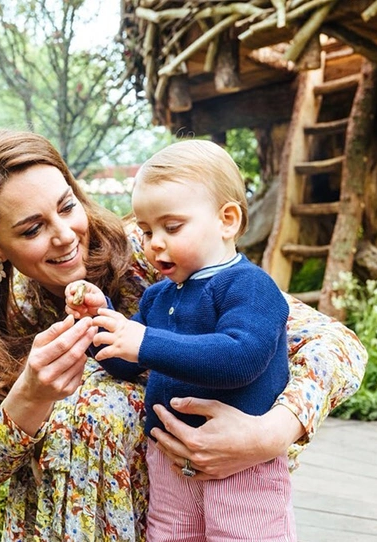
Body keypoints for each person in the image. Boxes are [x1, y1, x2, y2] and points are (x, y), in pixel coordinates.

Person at [0, 129, 367, 542]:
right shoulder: (1, 321)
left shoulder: (159, 253)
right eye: (32, 229)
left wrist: (271, 434)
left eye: (67, 207)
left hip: (202, 503)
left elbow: (337, 345)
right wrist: (30, 395)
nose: (65, 236)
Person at [64, 140, 296, 540]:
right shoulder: (158, 296)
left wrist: (146, 343)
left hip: (241, 467)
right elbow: (125, 361)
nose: (155, 243)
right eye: (147, 230)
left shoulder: (249, 286)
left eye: (172, 227)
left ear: (227, 220)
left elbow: (242, 357)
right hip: (169, 462)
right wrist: (98, 322)